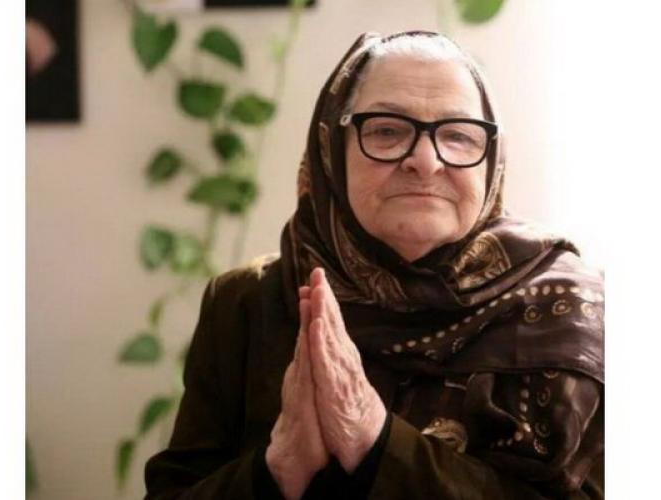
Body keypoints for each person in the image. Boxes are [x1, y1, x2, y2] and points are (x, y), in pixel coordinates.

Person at [144, 30, 604, 500]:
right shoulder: (246, 302)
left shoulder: (569, 312)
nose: (425, 161)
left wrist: (375, 440)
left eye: (459, 135)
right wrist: (276, 469)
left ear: (492, 160)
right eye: (386, 130)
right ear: (331, 151)